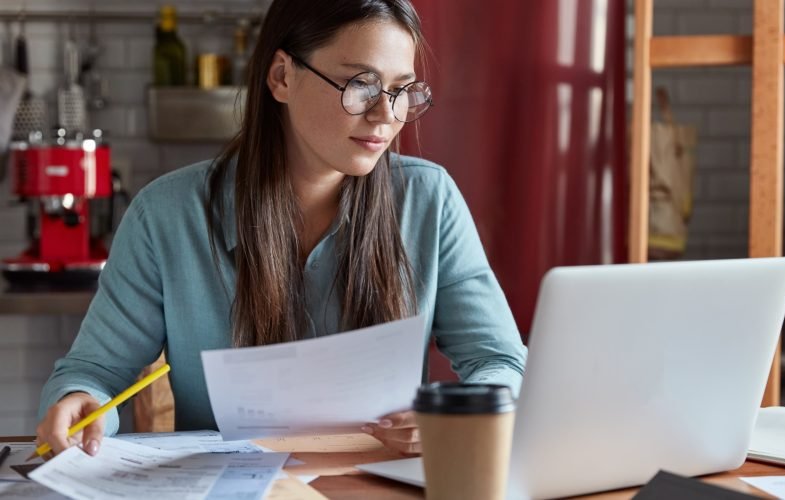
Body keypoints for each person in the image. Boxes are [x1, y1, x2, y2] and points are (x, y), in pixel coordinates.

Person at [36, 0, 527, 458]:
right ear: (281, 76)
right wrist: (78, 399)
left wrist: (462, 412)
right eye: (361, 85)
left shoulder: (429, 200)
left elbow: (502, 361)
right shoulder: (165, 215)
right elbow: (96, 372)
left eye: (401, 91)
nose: (387, 116)